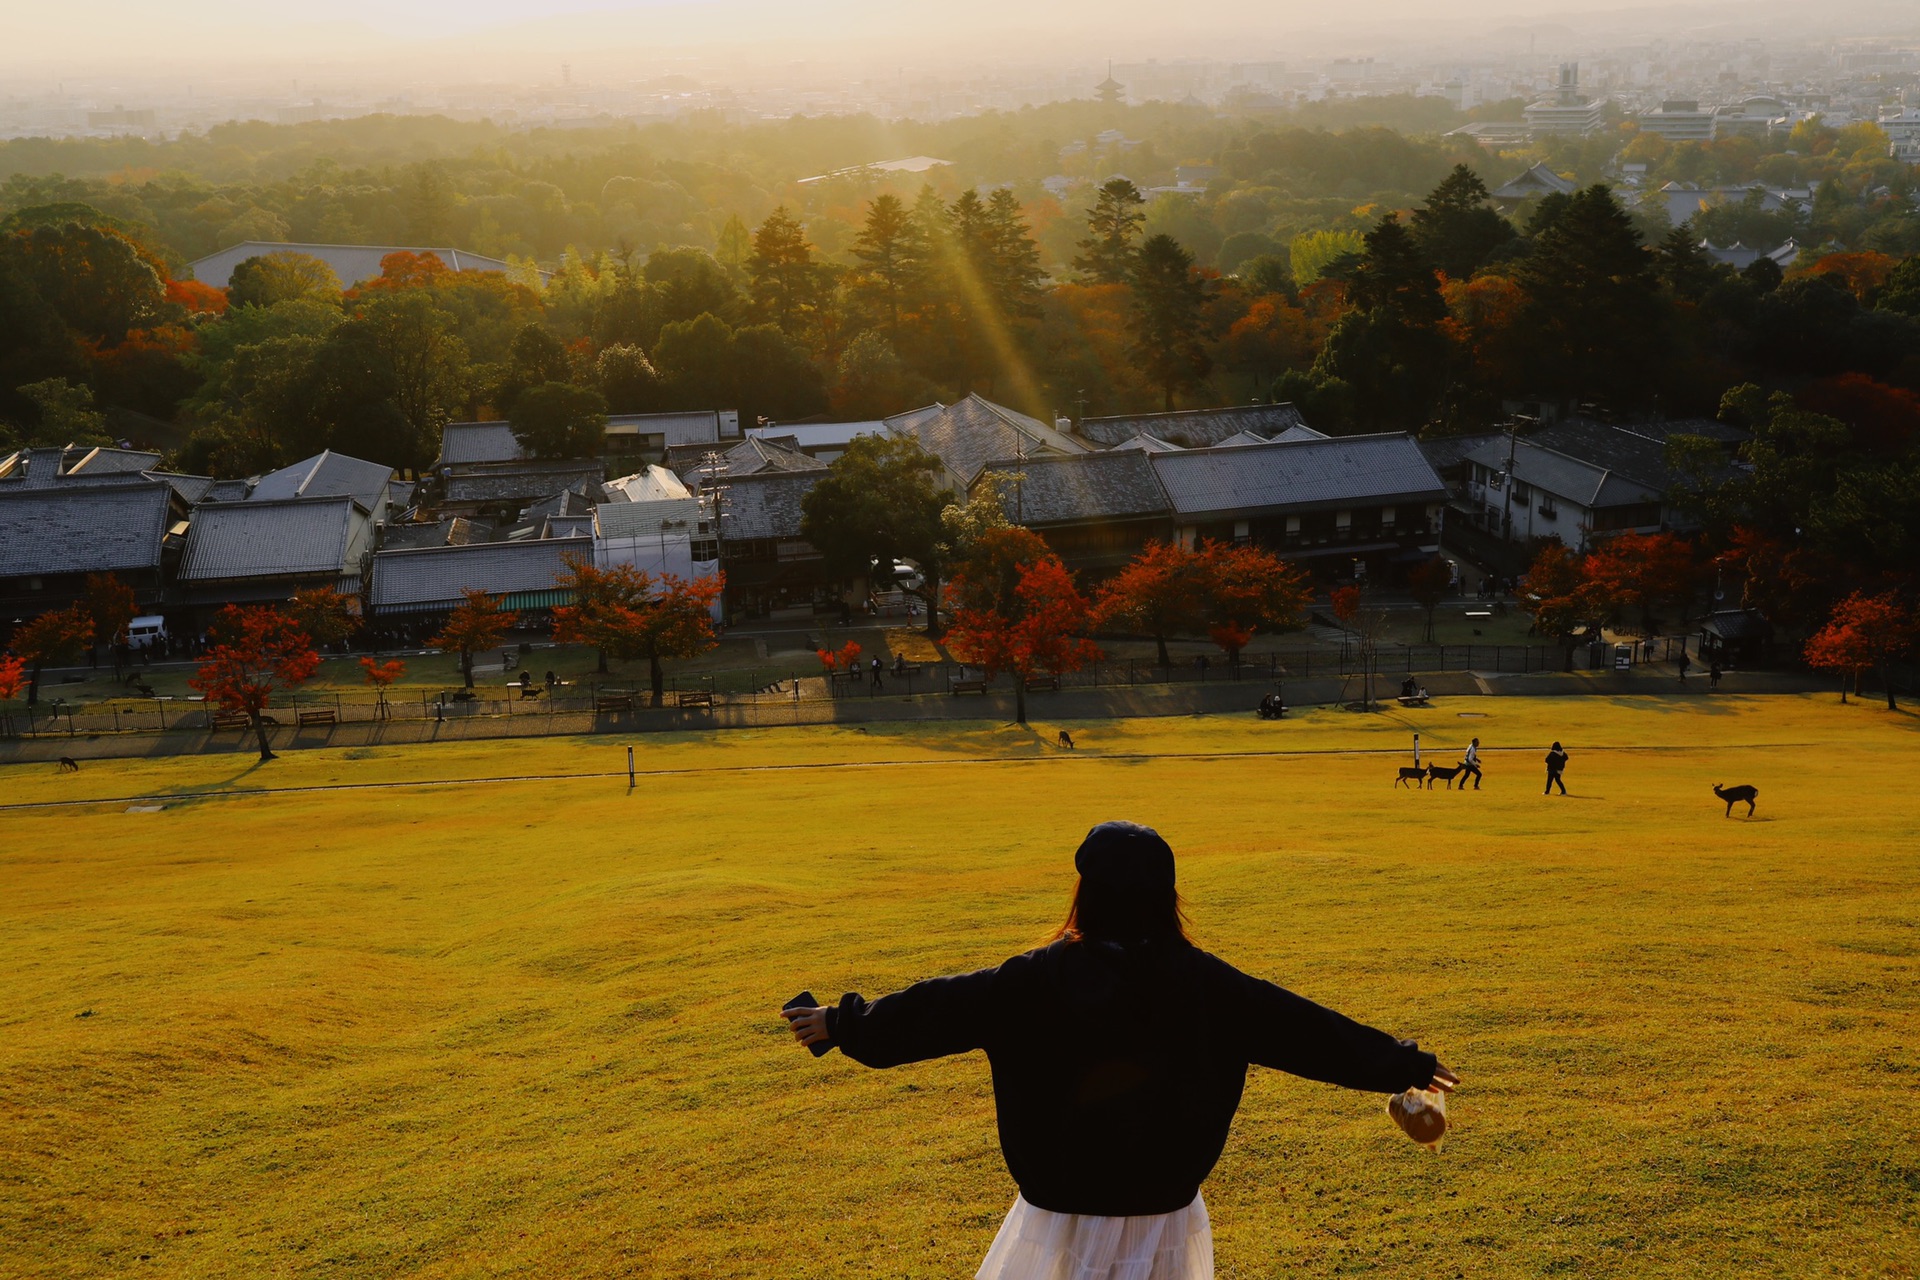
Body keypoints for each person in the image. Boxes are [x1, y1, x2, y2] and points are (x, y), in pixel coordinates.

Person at [782, 822, 1457, 1280]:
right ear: (1167, 897)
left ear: (1087, 892)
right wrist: (1405, 1066)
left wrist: (842, 1024)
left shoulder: (1032, 980)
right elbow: (1308, 1032)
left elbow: (933, 1011)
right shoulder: (1209, 986)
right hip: (1161, 1207)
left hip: (1061, 1209)